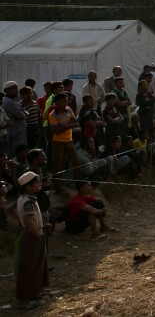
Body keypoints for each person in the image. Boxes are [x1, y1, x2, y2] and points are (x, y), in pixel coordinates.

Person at [15, 171, 49, 309]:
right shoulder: (28, 201)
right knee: (29, 267)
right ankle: (24, 300)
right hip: (32, 236)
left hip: (31, 234)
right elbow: (29, 221)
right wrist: (38, 232)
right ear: (28, 186)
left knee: (35, 265)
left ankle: (34, 293)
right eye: (37, 183)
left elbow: (10, 210)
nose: (40, 184)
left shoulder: (24, 198)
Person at [47, 93, 82, 192]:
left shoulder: (68, 109)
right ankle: (58, 188)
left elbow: (76, 123)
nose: (67, 102)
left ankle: (78, 184)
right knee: (58, 165)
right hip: (58, 142)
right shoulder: (52, 115)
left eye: (66, 100)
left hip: (69, 140)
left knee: (77, 163)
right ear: (57, 102)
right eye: (64, 101)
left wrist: (64, 126)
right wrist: (69, 125)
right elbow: (56, 131)